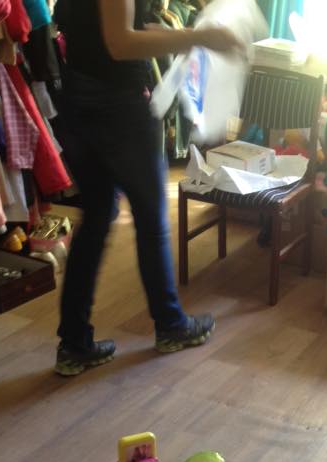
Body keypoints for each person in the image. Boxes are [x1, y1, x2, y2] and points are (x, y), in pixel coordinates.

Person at [52, 0, 244, 375]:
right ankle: (171, 326)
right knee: (150, 220)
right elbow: (120, 43)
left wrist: (171, 35)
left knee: (96, 219)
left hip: (79, 96)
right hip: (117, 106)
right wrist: (200, 36)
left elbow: (105, 30)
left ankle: (73, 344)